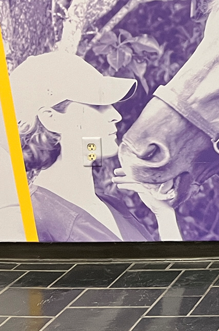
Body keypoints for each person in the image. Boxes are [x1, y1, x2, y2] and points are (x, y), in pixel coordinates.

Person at [10, 50, 182, 241]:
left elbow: (164, 271)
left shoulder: (113, 206)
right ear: (52, 119)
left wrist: (164, 215)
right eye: (98, 105)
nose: (116, 115)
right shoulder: (30, 219)